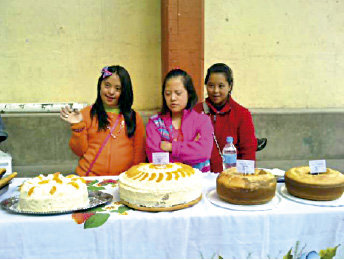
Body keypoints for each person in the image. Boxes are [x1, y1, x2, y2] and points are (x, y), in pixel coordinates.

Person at [60, 65, 146, 176]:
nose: (111, 91)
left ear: (125, 91)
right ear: (100, 85)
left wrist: (133, 177)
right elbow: (79, 151)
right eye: (107, 85)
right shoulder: (86, 114)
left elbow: (138, 154)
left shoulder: (134, 117)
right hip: (89, 178)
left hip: (122, 180)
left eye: (117, 88)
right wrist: (77, 125)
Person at [194, 63, 257, 173]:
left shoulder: (242, 114)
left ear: (230, 86)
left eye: (221, 86)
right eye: (211, 85)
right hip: (201, 177)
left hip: (231, 177)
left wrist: (243, 179)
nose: (215, 91)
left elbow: (248, 152)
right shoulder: (196, 112)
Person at [146, 69, 213, 172]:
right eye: (168, 94)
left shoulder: (203, 121)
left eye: (178, 93)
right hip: (166, 180)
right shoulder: (155, 123)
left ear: (189, 94)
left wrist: (172, 147)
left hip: (198, 181)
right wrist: (191, 150)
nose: (172, 98)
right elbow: (156, 159)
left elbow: (204, 152)